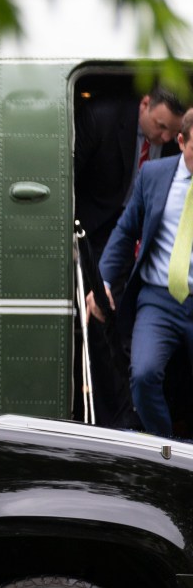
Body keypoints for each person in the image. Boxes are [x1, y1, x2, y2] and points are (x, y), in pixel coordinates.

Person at [76, 85, 186, 427]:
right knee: (105, 328)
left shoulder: (177, 145)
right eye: (160, 126)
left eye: (173, 132)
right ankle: (115, 422)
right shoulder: (101, 119)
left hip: (153, 247)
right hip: (102, 235)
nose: (164, 137)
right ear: (143, 105)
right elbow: (73, 182)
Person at [100, 107, 193, 439]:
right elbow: (126, 231)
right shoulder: (154, 175)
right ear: (181, 141)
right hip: (159, 298)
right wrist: (104, 282)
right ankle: (167, 452)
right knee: (143, 374)